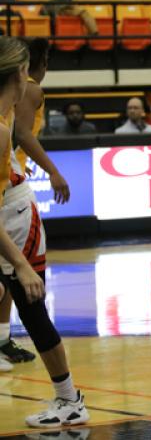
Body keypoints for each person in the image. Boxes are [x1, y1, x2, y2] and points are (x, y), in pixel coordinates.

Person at [0, 36, 88, 427]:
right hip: (10, 208)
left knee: (31, 309)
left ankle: (69, 399)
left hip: (14, 217)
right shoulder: (8, 120)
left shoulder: (4, 125)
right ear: (21, 75)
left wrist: (19, 264)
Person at [0, 38, 71, 369]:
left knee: (22, 293)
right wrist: (54, 171)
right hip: (13, 200)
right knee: (17, 287)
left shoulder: (8, 113)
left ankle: (68, 396)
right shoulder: (28, 94)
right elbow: (24, 135)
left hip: (12, 196)